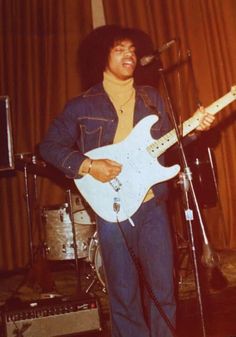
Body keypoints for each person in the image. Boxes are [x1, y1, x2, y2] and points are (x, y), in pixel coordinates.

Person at [40, 25, 215, 337]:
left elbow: (168, 145)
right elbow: (49, 147)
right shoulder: (82, 105)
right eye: (120, 49)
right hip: (114, 209)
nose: (130, 55)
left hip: (152, 204)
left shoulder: (151, 98)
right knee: (124, 294)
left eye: (133, 50)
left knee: (163, 288)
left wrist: (196, 128)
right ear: (101, 55)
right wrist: (88, 165)